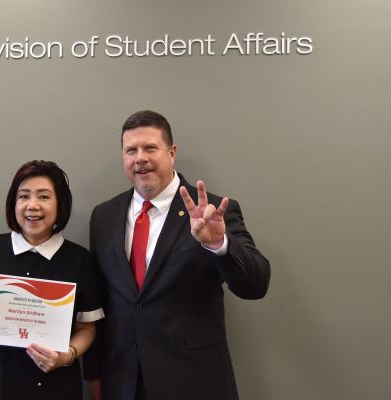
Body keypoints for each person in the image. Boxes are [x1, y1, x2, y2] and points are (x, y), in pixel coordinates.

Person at [83, 110, 271, 400]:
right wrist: (93, 373)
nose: (140, 158)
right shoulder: (104, 216)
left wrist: (218, 244)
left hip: (194, 382)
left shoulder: (214, 211)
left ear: (171, 153)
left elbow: (256, 285)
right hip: (123, 383)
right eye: (130, 150)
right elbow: (100, 302)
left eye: (150, 148)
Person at [0, 160, 104, 400]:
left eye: (43, 197)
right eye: (23, 197)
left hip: (56, 385)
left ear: (60, 204)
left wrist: (67, 356)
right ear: (14, 203)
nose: (32, 206)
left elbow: (87, 328)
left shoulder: (80, 259)